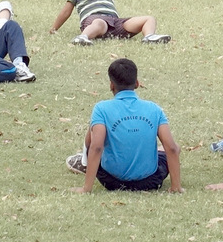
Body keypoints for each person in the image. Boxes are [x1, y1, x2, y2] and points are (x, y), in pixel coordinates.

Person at [67, 58, 182, 193]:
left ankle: (84, 162)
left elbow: (96, 147)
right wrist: (176, 187)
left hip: (110, 181)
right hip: (150, 181)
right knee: (175, 147)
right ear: (137, 83)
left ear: (111, 85)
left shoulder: (101, 109)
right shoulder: (154, 109)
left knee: (94, 131)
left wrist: (86, 189)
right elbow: (172, 148)